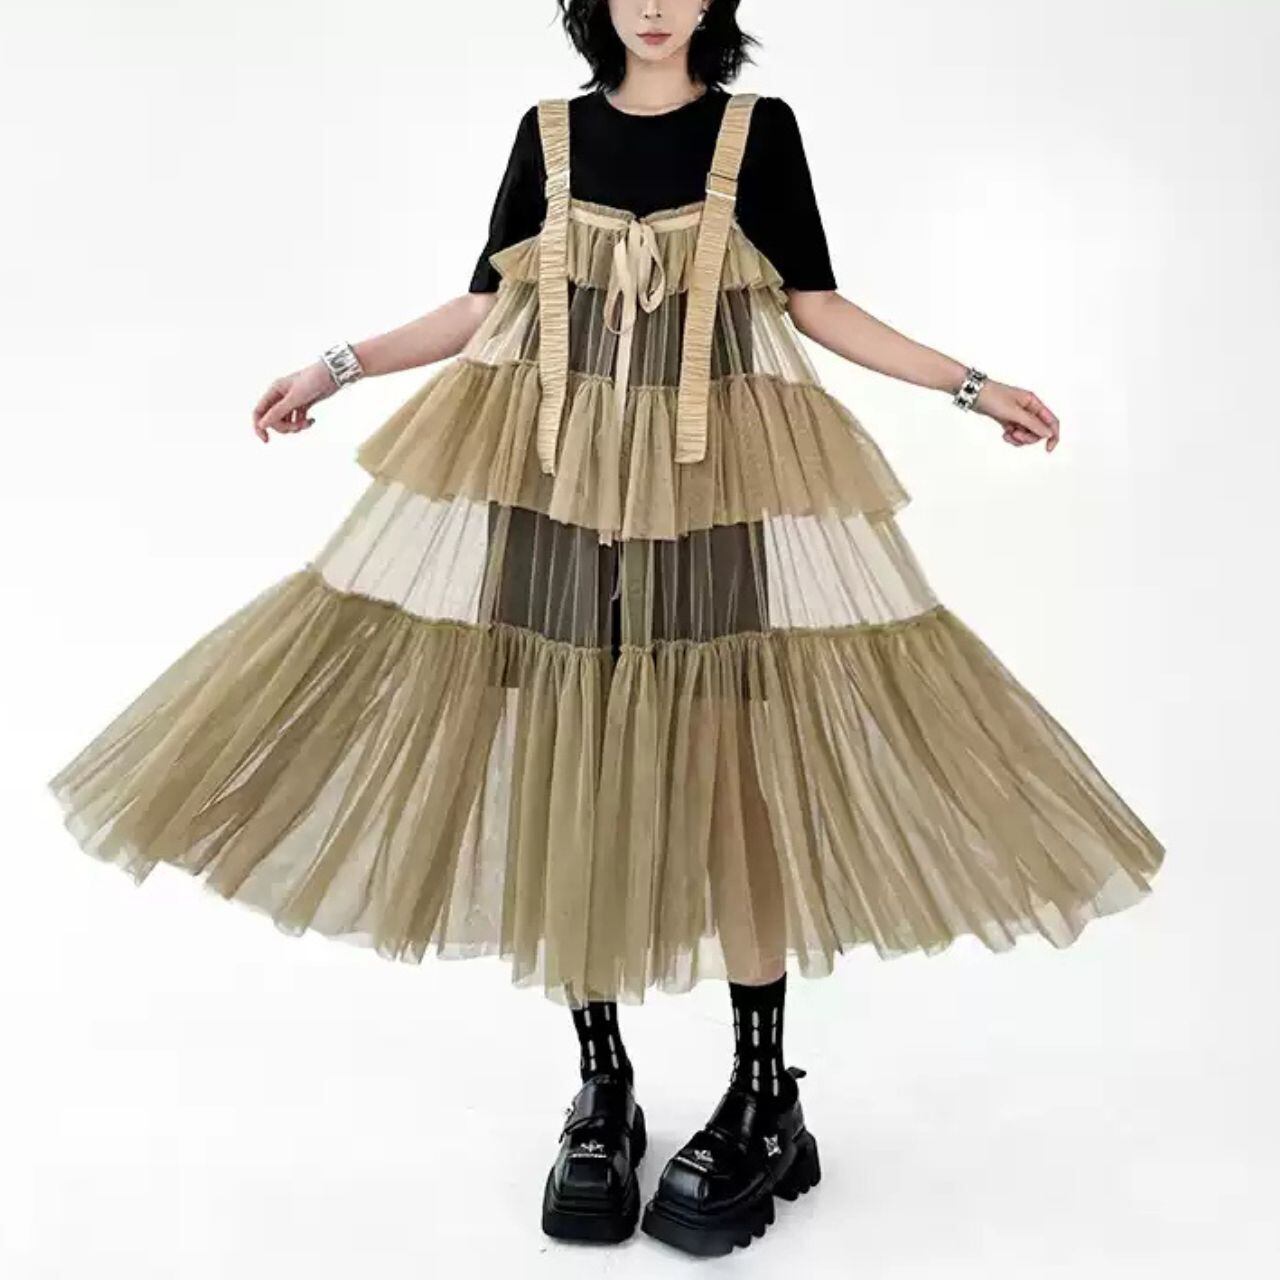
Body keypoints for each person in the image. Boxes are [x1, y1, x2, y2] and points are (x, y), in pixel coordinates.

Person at [47, 0, 1166, 1259]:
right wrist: (337, 364)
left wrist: (971, 386)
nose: (654, 2)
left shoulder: (755, 131)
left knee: (731, 778)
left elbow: (815, 304)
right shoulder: (548, 134)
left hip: (704, 501)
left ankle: (763, 1091)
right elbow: (482, 307)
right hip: (549, 493)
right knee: (563, 760)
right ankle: (602, 1084)